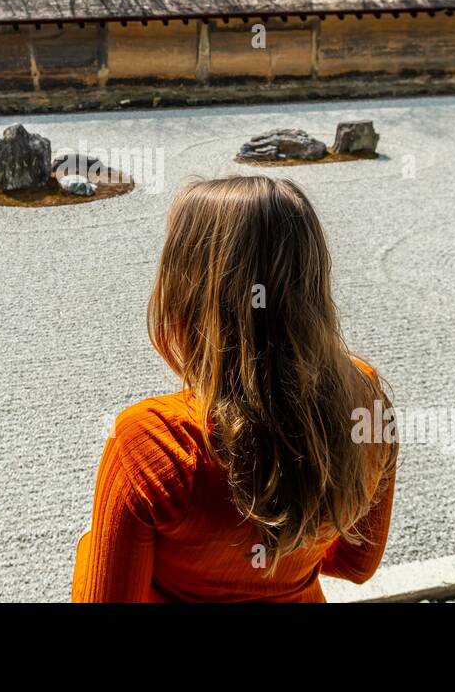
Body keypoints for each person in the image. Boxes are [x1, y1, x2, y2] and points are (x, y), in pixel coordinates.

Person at [72, 175, 398, 602]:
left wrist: (90, 549)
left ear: (187, 292)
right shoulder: (367, 401)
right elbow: (357, 564)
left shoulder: (151, 444)